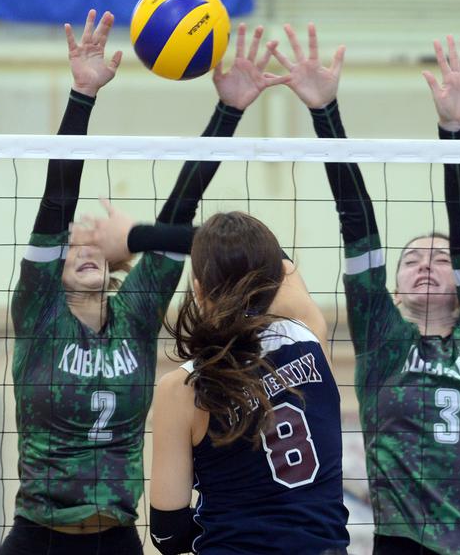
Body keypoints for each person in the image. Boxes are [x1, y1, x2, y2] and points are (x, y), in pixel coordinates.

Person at [1, 10, 287, 555]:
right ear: (50, 269)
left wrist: (229, 110)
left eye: (95, 245)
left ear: (113, 264)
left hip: (117, 538)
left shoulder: (133, 316)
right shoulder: (39, 314)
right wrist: (83, 93)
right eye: (71, 247)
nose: (84, 248)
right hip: (37, 537)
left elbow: (182, 211)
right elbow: (57, 196)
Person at [270, 27, 460, 555]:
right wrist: (325, 112)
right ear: (394, 288)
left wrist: (454, 129)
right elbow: (357, 225)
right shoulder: (382, 337)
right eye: (411, 259)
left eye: (440, 259)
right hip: (400, 542)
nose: (424, 265)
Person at [78, 208, 350, 555]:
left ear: (198, 289)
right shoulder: (308, 332)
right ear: (274, 280)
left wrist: (232, 521)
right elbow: (275, 259)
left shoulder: (183, 388)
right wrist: (138, 234)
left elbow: (167, 534)